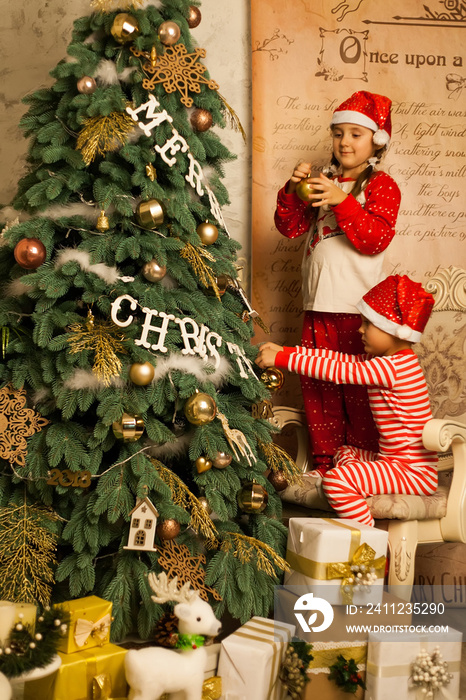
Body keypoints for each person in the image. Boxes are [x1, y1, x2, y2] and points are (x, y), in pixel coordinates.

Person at [274, 91, 401, 476]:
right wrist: (293, 190)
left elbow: (373, 239)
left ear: (376, 141)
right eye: (338, 133)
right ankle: (327, 467)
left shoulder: (381, 186)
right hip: (317, 306)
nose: (344, 142)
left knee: (358, 392)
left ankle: (360, 467)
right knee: (319, 390)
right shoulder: (323, 179)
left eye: (356, 134)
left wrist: (341, 200)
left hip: (356, 311)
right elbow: (290, 227)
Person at [255, 274, 438, 527]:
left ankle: (369, 546)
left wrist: (283, 361)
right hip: (392, 462)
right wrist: (285, 351)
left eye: (368, 323)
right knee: (344, 451)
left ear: (392, 329)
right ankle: (358, 484)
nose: (360, 329)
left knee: (336, 481)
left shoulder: (394, 368)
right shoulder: (385, 363)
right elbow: (337, 360)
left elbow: (339, 372)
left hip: (412, 472)